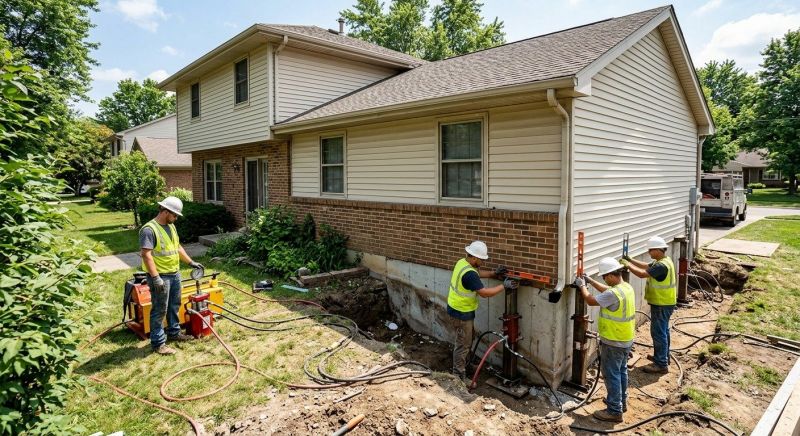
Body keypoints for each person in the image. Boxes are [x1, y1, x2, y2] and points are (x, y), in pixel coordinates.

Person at [140, 196, 204, 355]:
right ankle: (158, 343)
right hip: (160, 276)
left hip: (174, 274)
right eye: (174, 215)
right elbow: (146, 255)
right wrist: (155, 278)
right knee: (159, 310)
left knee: (174, 305)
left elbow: (177, 247)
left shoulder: (171, 226)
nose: (176, 218)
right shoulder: (149, 229)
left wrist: (190, 262)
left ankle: (174, 334)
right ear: (166, 211)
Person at [575, 257, 635, 423]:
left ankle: (614, 411)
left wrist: (582, 286)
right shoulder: (625, 287)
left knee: (611, 374)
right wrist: (590, 281)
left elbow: (591, 300)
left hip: (613, 341)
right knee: (621, 371)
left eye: (604, 277)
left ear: (610, 275)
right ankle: (620, 402)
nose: (604, 280)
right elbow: (607, 291)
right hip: (626, 338)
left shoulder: (613, 293)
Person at [446, 241, 516, 380]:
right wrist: (504, 286)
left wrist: (493, 273)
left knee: (467, 340)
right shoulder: (469, 274)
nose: (483, 262)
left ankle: (465, 365)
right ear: (474, 257)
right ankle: (458, 377)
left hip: (460, 309)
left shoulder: (463, 262)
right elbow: (484, 293)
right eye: (481, 259)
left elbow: (477, 274)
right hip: (461, 313)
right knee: (463, 345)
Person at [621, 236, 676, 374]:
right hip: (665, 303)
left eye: (651, 250)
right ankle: (663, 357)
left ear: (658, 250)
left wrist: (627, 265)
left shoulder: (661, 266)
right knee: (663, 330)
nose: (649, 253)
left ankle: (661, 364)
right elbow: (645, 266)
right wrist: (630, 260)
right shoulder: (664, 261)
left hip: (662, 304)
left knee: (658, 332)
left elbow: (641, 274)